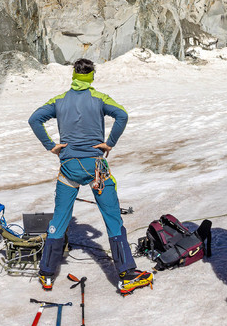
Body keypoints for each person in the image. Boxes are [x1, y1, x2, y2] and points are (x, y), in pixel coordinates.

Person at [28, 58, 153, 295]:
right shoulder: (99, 98)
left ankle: (46, 273)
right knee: (112, 218)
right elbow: (122, 115)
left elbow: (34, 119)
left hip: (69, 167)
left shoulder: (60, 100)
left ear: (74, 75)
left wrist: (51, 146)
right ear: (91, 76)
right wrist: (109, 143)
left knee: (59, 219)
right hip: (95, 167)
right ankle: (126, 274)